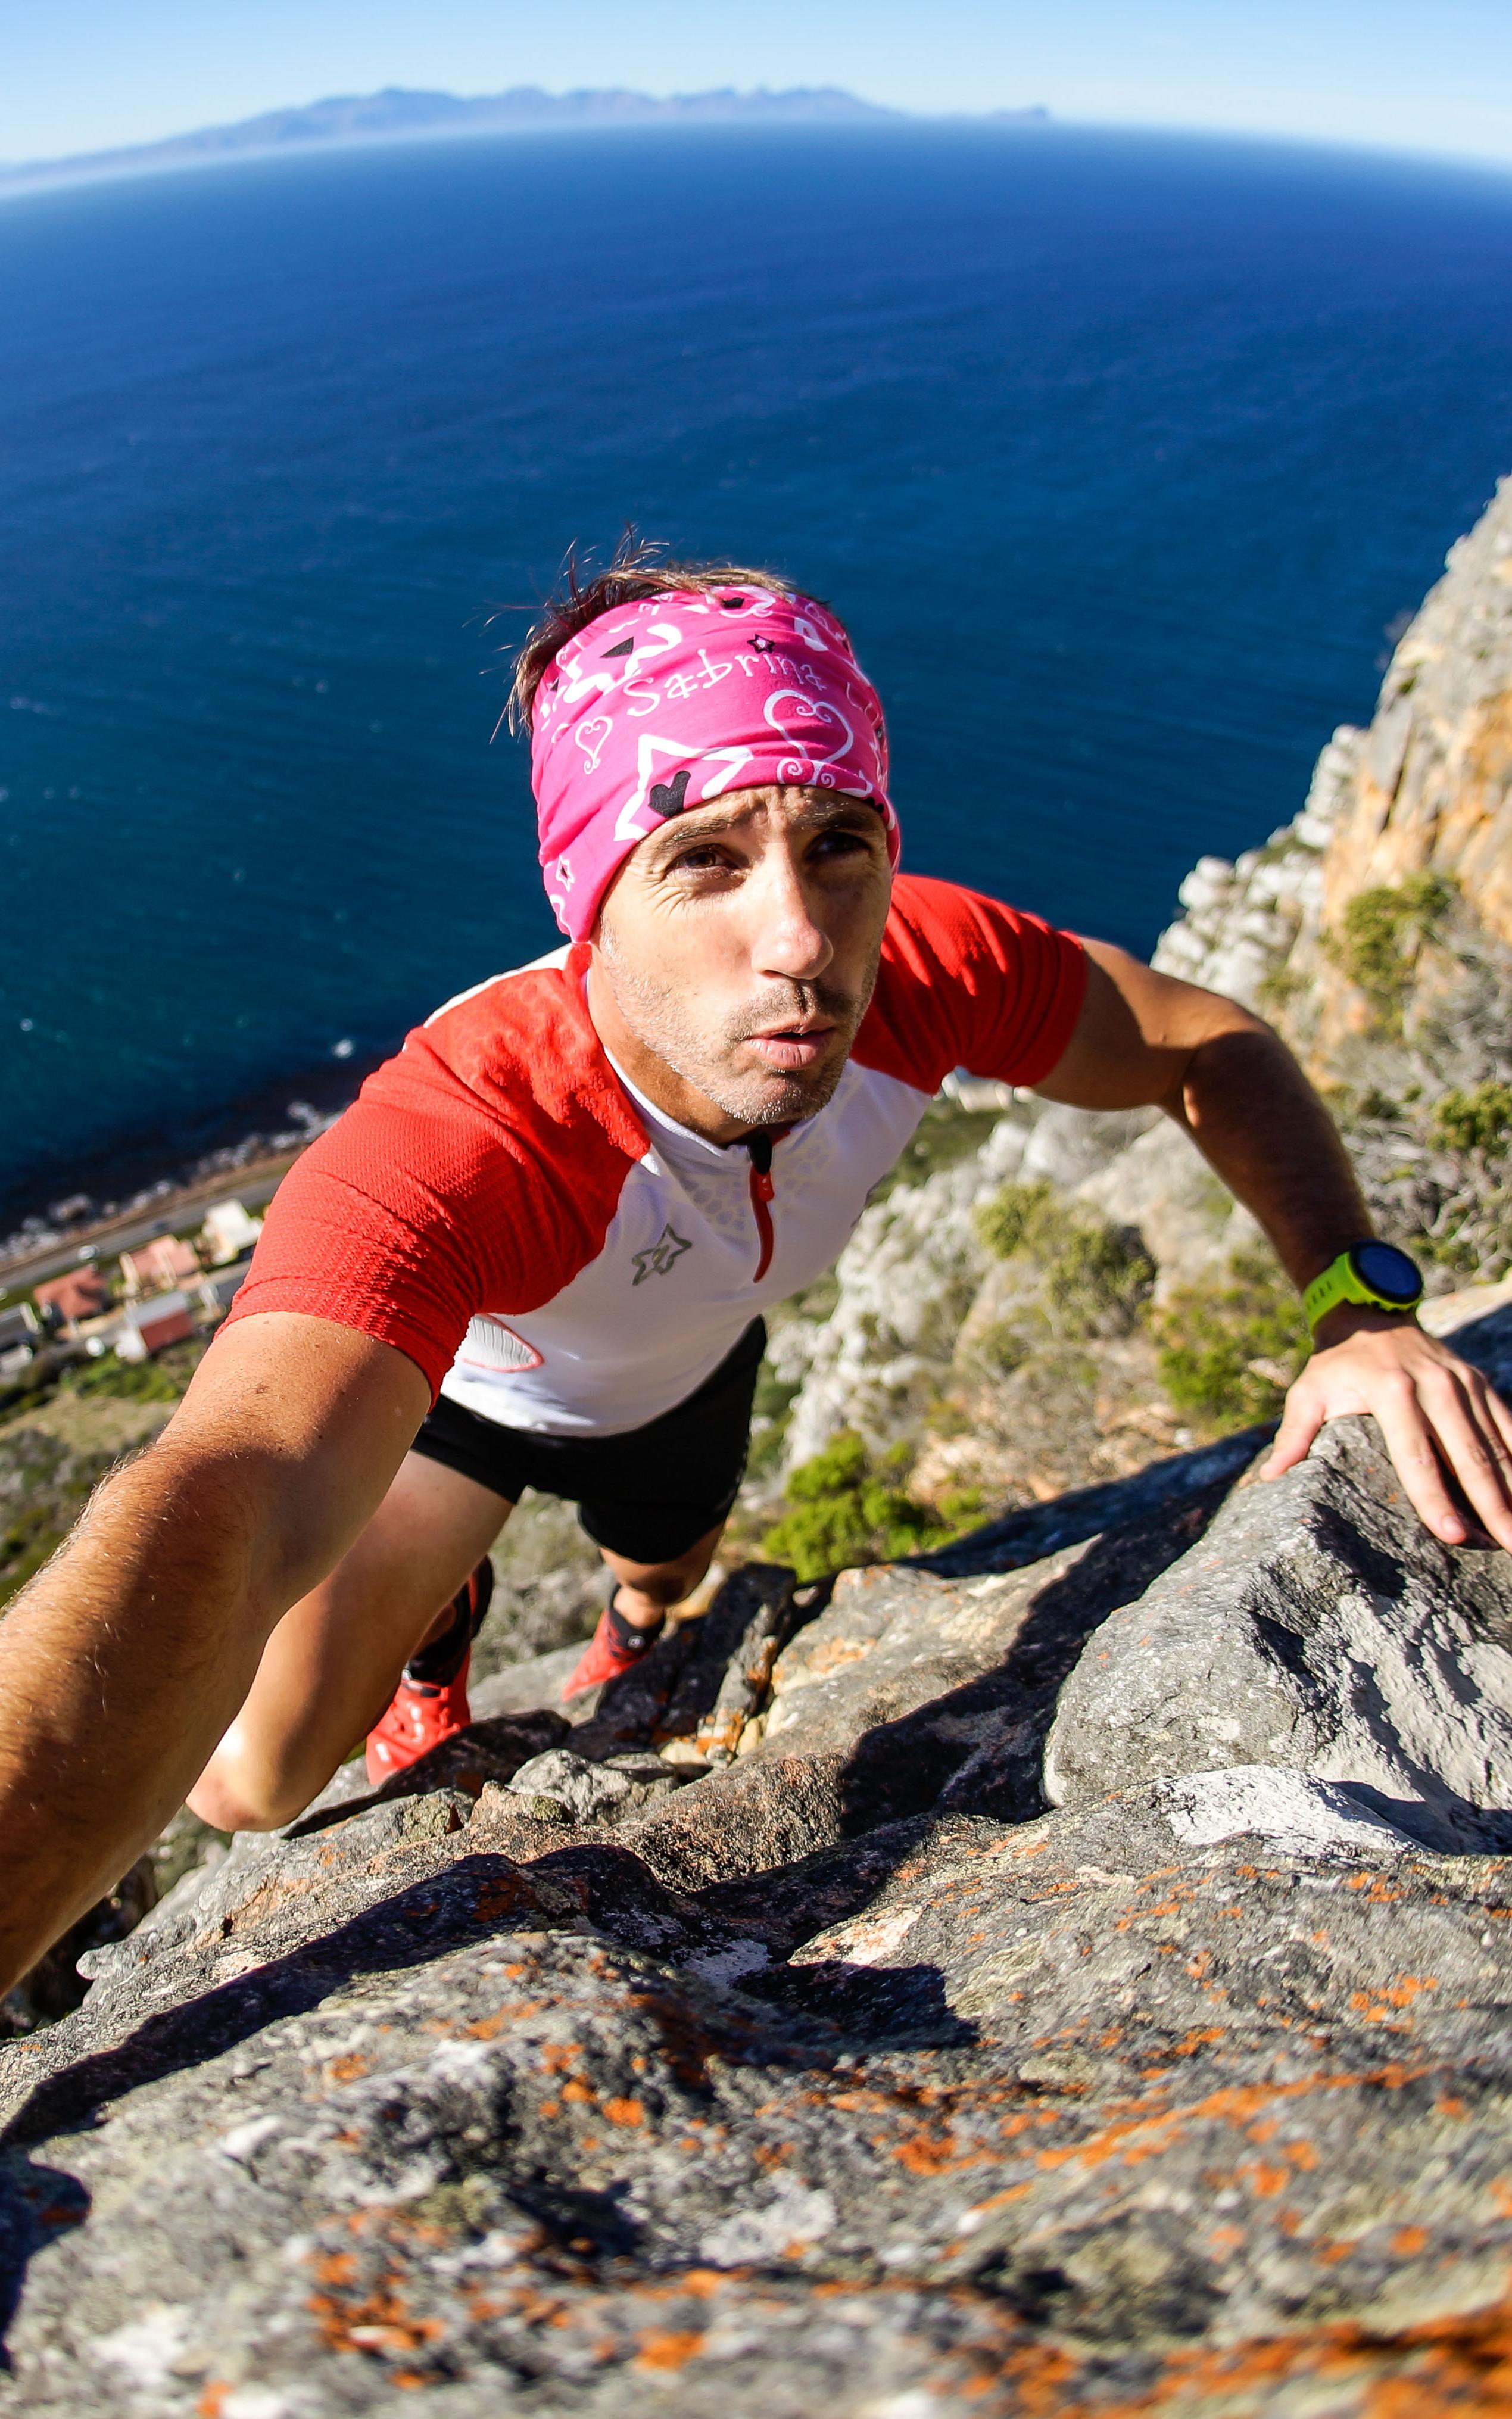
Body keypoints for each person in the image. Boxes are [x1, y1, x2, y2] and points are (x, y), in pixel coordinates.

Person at [3, 546, 1511, 2004]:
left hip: (699, 1355)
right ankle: (435, 1627)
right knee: (253, 1783)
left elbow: (1206, 1045)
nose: (800, 938)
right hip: (471, 1409)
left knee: (664, 1584)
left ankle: (634, 1627)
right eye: (703, 863)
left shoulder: (926, 966)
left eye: (836, 845)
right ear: (591, 903)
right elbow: (233, 1491)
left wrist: (1358, 1312)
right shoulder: (473, 1136)